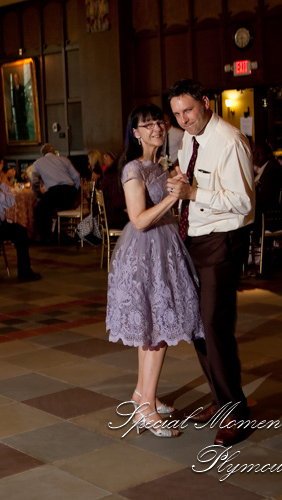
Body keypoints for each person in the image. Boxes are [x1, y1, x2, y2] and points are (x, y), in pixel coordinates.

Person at [166, 79, 255, 447]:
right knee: (199, 328)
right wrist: (179, 180)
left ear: (205, 102)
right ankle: (221, 402)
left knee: (215, 329)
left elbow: (243, 202)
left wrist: (193, 192)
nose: (184, 120)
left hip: (222, 242)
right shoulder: (190, 139)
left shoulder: (230, 141)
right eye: (177, 114)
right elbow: (191, 179)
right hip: (194, 239)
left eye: (188, 110)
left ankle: (238, 414)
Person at [105, 104, 201, 438]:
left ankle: (142, 395)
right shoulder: (134, 169)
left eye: (159, 122)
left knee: (153, 329)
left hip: (164, 250)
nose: (156, 128)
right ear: (135, 133)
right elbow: (139, 220)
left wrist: (175, 184)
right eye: (147, 125)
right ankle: (145, 408)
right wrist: (173, 198)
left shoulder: (157, 166)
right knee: (157, 329)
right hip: (145, 252)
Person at [31, 143, 81, 243]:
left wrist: (39, 195)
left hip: (54, 193)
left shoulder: (38, 163)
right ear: (53, 151)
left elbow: (34, 182)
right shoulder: (64, 160)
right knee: (55, 208)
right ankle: (61, 232)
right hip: (69, 193)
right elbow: (77, 176)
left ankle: (45, 238)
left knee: (40, 209)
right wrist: (75, 192)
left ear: (43, 154)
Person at [253, 141, 282, 218]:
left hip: (272, 213)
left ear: (268, 155)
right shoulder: (266, 167)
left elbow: (265, 197)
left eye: (259, 154)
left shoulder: (272, 169)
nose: (256, 157)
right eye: (254, 154)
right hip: (268, 208)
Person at [99, 151, 128, 230]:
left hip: (108, 216)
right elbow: (117, 202)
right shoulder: (116, 176)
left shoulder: (108, 174)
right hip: (114, 216)